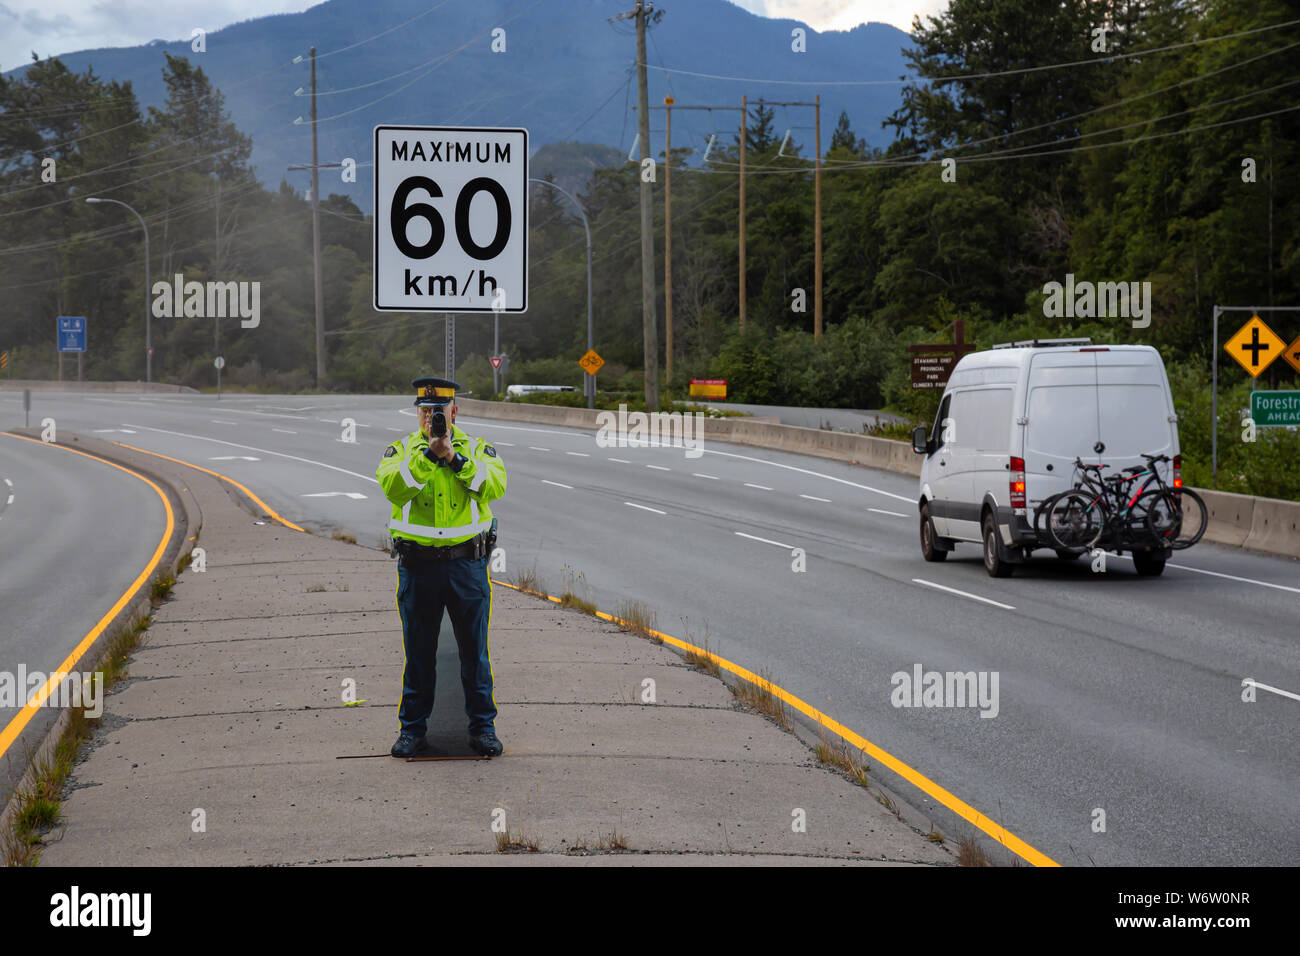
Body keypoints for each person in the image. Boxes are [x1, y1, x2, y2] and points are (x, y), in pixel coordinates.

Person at [376, 377, 507, 758]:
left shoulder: (477, 448)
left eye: (438, 411)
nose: (431, 417)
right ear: (416, 413)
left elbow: (495, 486)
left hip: (467, 567)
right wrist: (430, 456)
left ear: (454, 411)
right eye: (424, 410)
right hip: (418, 568)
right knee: (418, 654)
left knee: (474, 653)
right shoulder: (401, 450)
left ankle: (482, 728)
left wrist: (454, 458)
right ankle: (412, 730)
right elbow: (394, 488)